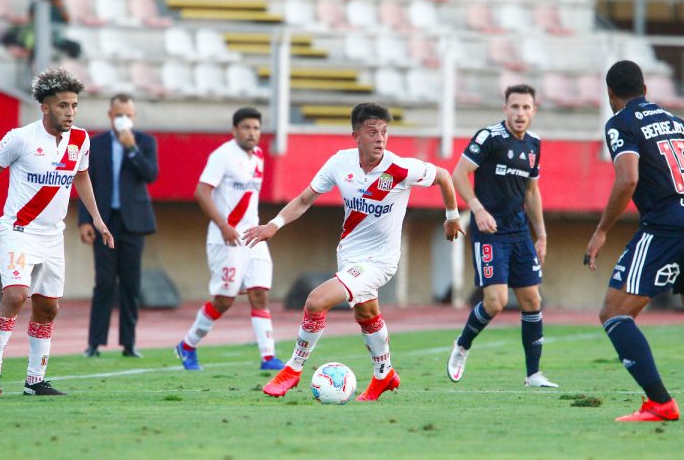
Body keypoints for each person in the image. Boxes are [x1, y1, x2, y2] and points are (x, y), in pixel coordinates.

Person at [244, 102, 464, 401]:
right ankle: (384, 374)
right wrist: (275, 223)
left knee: (316, 301)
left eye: (384, 132)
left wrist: (451, 217)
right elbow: (305, 198)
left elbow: (443, 176)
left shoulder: (400, 168)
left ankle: (293, 369)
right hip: (349, 255)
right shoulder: (340, 163)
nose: (380, 138)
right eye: (372, 132)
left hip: (380, 262)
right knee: (367, 313)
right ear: (355, 136)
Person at [585, 60, 684, 421]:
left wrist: (602, 230)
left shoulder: (620, 122)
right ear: (646, 90)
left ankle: (660, 402)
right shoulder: (675, 121)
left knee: (614, 314)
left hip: (668, 227)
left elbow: (627, 179)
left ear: (610, 94)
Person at [0, 68, 112, 396]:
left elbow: (81, 177)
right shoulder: (20, 138)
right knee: (16, 295)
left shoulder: (80, 139)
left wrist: (98, 219)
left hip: (52, 236)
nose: (71, 112)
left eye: (74, 105)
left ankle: (35, 381)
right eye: (64, 106)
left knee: (48, 307)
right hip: (19, 230)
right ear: (45, 108)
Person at [446, 84, 558, 388]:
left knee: (532, 300)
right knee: (495, 302)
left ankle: (533, 374)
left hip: (519, 232)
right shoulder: (489, 137)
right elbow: (458, 174)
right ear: (505, 109)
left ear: (534, 111)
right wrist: (477, 209)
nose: (520, 113)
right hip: (489, 232)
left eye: (526, 107)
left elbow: (532, 192)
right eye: (514, 107)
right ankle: (463, 345)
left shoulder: (534, 144)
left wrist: (542, 234)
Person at [174, 107, 284, 371]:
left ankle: (268, 357)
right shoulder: (222, 156)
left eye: (256, 128)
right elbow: (201, 192)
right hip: (227, 239)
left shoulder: (258, 156)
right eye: (246, 127)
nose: (252, 133)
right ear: (235, 130)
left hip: (253, 237)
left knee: (260, 294)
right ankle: (187, 345)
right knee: (224, 300)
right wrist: (223, 226)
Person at [79, 94, 158, 358]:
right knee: (103, 283)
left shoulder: (145, 142)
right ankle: (94, 343)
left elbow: (151, 175)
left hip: (134, 223)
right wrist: (84, 220)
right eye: (118, 113)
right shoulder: (95, 143)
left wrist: (132, 148)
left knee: (130, 285)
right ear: (110, 115)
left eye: (128, 114)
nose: (123, 118)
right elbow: (84, 181)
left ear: (133, 117)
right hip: (105, 223)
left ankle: (129, 343)